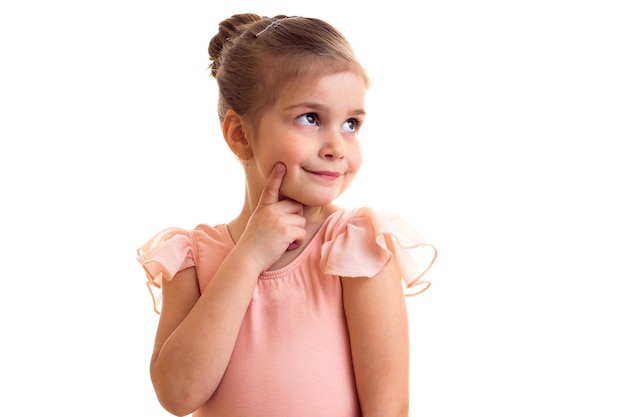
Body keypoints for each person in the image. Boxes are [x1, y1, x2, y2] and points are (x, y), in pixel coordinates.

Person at [136, 13, 437, 417]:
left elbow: (387, 408)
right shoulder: (192, 258)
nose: (337, 146)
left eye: (351, 123)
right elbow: (177, 394)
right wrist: (249, 256)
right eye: (310, 118)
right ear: (240, 134)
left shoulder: (356, 248)